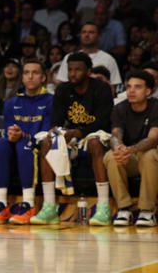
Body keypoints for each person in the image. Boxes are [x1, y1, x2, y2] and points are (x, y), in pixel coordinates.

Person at [30, 52, 113, 225]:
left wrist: (79, 133)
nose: (73, 73)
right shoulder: (63, 89)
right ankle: (49, 207)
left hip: (97, 134)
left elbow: (104, 121)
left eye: (78, 70)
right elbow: (56, 121)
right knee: (47, 142)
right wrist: (59, 132)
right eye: (70, 70)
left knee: (95, 143)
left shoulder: (101, 88)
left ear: (88, 71)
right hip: (73, 135)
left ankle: (103, 207)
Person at [0, 59, 52, 224]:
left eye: (35, 73)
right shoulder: (11, 102)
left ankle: (28, 205)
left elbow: (46, 133)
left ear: (43, 78)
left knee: (24, 146)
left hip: (39, 145)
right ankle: (1, 205)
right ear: (22, 77)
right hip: (17, 143)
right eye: (26, 73)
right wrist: (12, 134)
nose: (30, 77)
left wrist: (24, 136)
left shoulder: (50, 100)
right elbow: (10, 129)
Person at [105, 71, 158, 226]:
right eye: (128, 87)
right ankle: (124, 209)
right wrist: (119, 148)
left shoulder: (155, 107)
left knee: (148, 155)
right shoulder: (120, 108)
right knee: (111, 156)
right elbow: (115, 135)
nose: (131, 91)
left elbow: (153, 139)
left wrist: (131, 149)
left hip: (151, 157)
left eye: (137, 87)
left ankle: (147, 211)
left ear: (148, 91)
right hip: (131, 156)